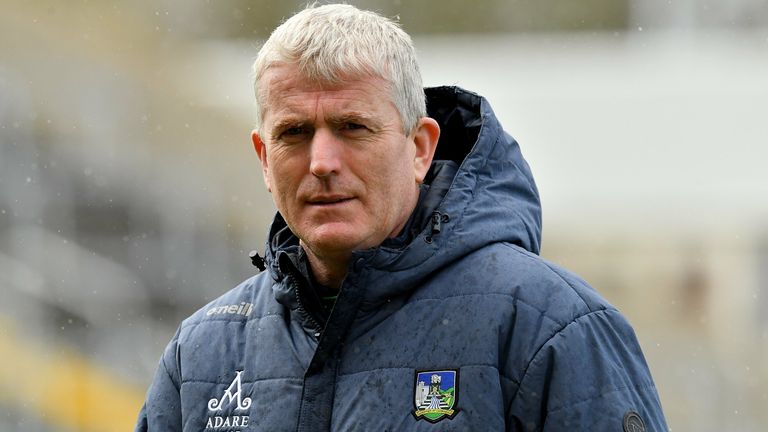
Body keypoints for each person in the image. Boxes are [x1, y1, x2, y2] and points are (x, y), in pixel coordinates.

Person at [136, 4, 667, 431]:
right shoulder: (201, 358)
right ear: (263, 159)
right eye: (294, 133)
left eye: (353, 128)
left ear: (420, 148)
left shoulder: (549, 328)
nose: (322, 163)